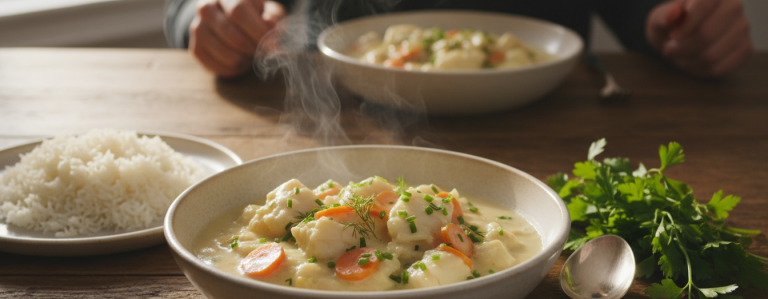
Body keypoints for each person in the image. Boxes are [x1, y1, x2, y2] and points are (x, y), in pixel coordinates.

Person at [164, 0, 753, 79]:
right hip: (337, 114)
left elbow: (641, 9)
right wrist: (213, 15)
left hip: (555, 122)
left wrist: (677, 22)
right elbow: (185, 6)